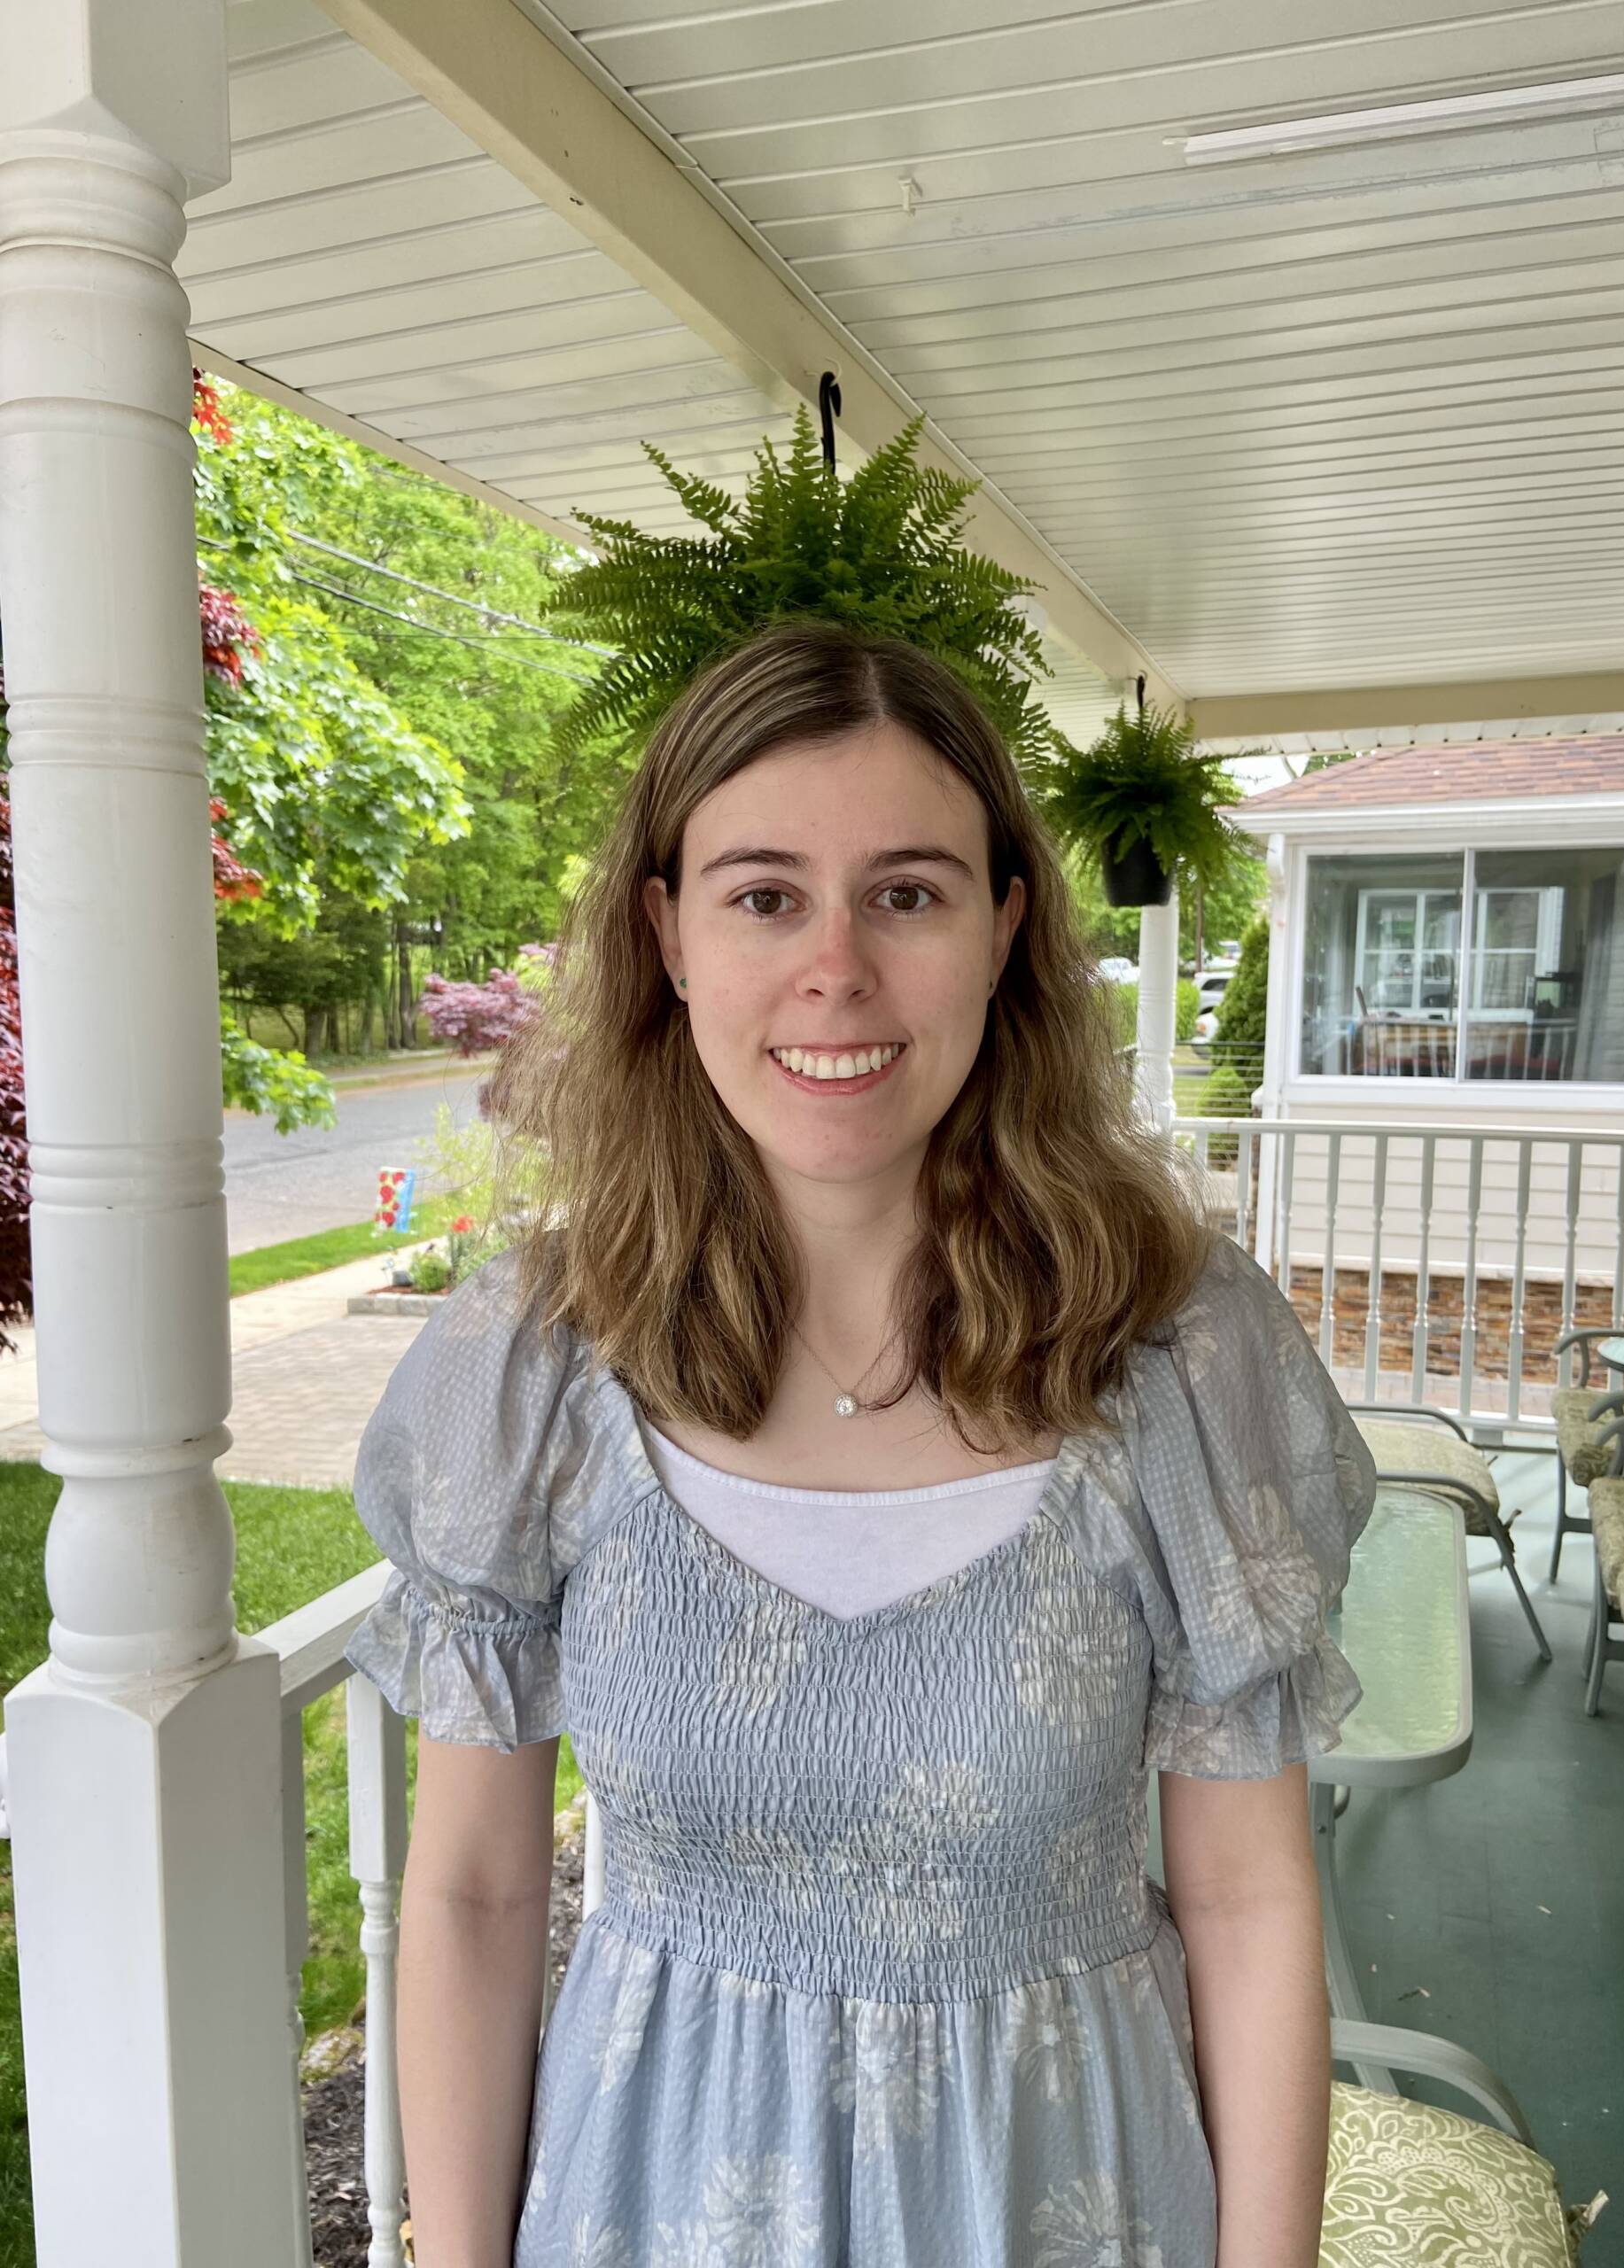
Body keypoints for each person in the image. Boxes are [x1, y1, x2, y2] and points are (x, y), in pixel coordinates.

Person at [345, 620, 1377, 2268]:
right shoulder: (531, 1366)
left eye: (906, 892)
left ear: (1004, 933)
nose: (837, 969)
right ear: (669, 935)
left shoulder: (1180, 1356)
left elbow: (1248, 1906)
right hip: (652, 2202)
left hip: (1061, 2197)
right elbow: (468, 1893)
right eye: (765, 894)